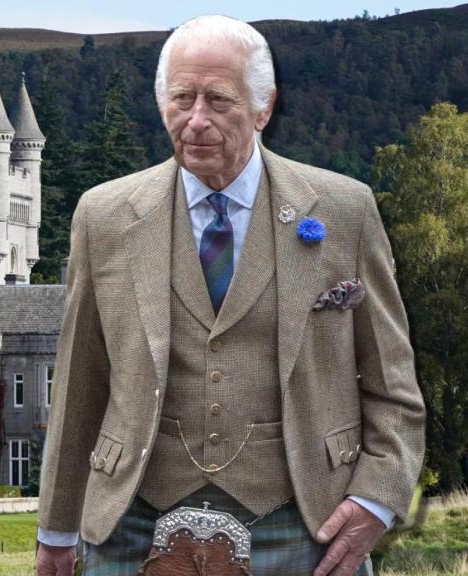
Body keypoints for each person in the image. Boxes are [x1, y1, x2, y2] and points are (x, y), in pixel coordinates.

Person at [35, 15, 425, 576]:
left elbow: (394, 387)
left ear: (265, 107)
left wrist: (376, 499)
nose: (196, 120)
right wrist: (56, 525)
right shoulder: (103, 215)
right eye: (182, 98)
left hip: (305, 520)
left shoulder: (345, 210)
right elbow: (79, 383)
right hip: (131, 521)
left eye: (218, 100)